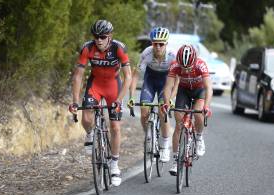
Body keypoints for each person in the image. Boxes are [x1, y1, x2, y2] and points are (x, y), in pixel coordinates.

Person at [68, 20, 132, 186]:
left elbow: (128, 77)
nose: (99, 40)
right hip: (95, 85)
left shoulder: (119, 48)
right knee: (87, 117)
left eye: (103, 37)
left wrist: (119, 100)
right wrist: (75, 101)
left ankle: (115, 165)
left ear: (110, 36)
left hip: (113, 86)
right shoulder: (87, 48)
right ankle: (90, 134)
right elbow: (78, 76)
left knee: (115, 127)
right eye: (96, 36)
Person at [162, 44, 212, 176]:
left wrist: (206, 106)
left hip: (199, 91)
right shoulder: (175, 66)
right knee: (179, 125)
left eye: (188, 68)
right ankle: (176, 159)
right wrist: (166, 103)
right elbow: (168, 87)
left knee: (198, 113)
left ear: (194, 61)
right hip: (184, 91)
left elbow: (208, 88)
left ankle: (199, 138)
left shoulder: (201, 65)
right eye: (183, 68)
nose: (186, 71)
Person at [128, 27, 177, 163]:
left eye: (161, 44)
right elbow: (136, 76)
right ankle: (149, 135)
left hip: (165, 83)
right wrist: (131, 96)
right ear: (152, 43)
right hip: (150, 80)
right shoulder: (146, 54)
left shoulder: (173, 56)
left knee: (163, 111)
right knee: (144, 111)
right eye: (155, 43)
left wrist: (171, 98)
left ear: (166, 44)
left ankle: (165, 145)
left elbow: (177, 80)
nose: (158, 46)